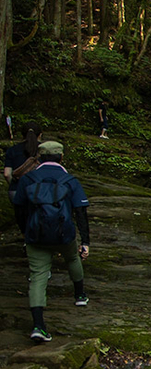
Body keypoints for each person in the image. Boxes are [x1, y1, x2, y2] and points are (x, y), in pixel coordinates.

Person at [12, 141, 90, 342]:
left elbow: (19, 208)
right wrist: (85, 241)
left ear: (39, 158)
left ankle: (38, 325)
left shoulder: (28, 179)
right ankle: (80, 296)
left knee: (38, 275)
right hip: (64, 234)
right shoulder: (69, 180)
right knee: (72, 258)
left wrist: (25, 231)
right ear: (62, 157)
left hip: (35, 235)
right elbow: (80, 212)